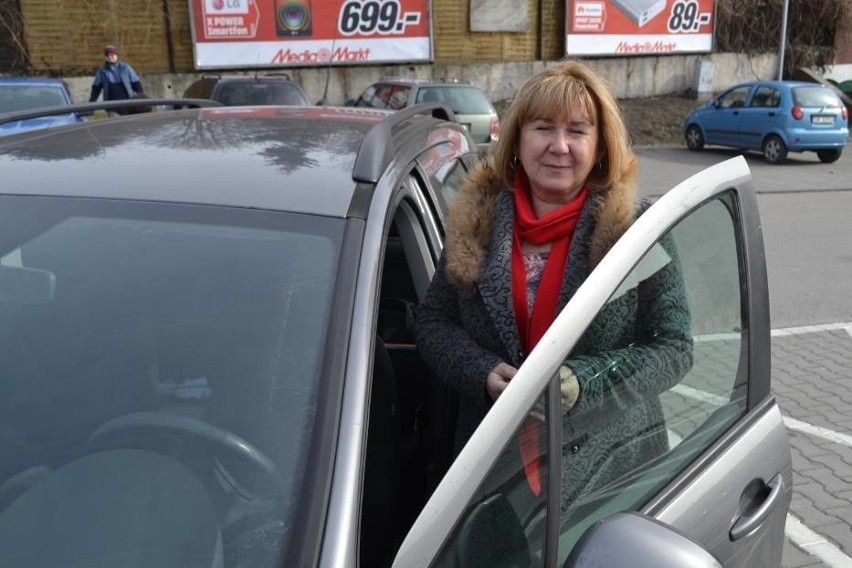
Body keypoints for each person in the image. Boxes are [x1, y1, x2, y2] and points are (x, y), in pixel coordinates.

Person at [415, 59, 693, 506]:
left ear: (600, 145)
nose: (558, 146)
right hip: (492, 467)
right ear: (518, 140)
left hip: (608, 472)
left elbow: (675, 347)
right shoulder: (476, 218)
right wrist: (481, 371)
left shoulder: (635, 228)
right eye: (543, 128)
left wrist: (587, 382)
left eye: (578, 131)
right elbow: (432, 323)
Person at [89, 44, 144, 115]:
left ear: (116, 55)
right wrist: (91, 103)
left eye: (112, 55)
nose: (110, 57)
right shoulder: (102, 71)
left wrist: (142, 99)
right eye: (107, 55)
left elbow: (136, 84)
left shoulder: (125, 68)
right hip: (111, 106)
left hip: (128, 104)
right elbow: (96, 89)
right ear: (105, 57)